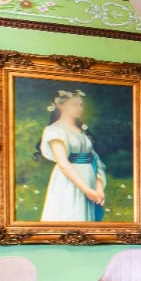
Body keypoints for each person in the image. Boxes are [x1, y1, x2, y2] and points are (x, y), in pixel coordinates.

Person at [38, 89, 106, 221]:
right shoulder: (56, 131)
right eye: (74, 105)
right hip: (68, 181)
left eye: (81, 105)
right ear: (60, 106)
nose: (79, 108)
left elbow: (94, 159)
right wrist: (86, 190)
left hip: (89, 178)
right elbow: (63, 164)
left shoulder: (82, 132)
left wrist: (98, 187)